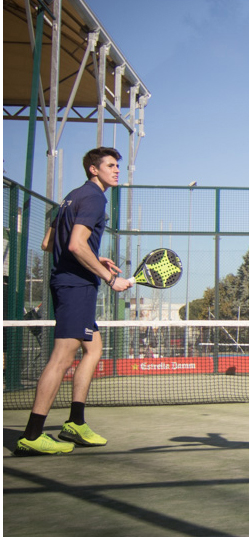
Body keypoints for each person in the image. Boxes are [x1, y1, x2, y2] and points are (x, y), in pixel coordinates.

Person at [15, 147, 131, 456]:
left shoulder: (72, 196)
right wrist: (110, 278)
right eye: (110, 165)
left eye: (117, 165)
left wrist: (95, 257)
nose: (116, 170)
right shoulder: (95, 198)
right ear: (94, 169)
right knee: (62, 358)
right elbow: (76, 245)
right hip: (76, 286)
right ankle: (32, 435)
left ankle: (75, 423)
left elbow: (48, 243)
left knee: (93, 348)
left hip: (67, 282)